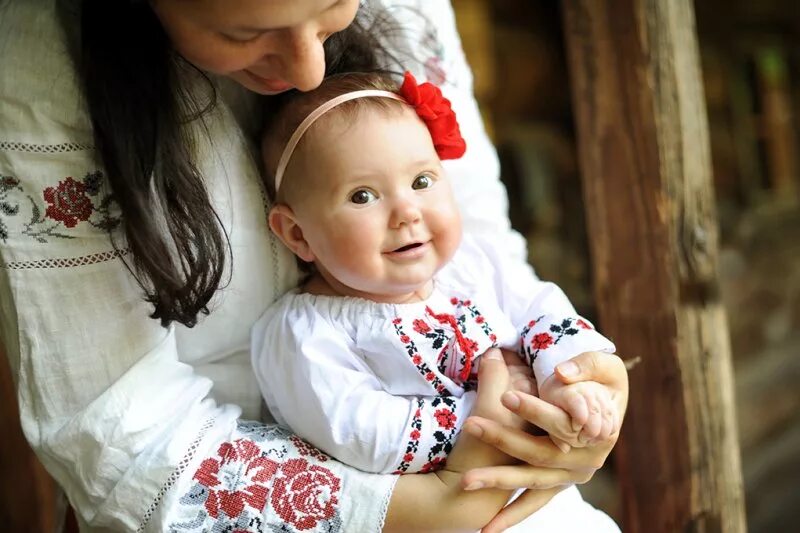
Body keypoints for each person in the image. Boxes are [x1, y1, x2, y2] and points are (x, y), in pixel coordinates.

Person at [0, 1, 629, 532]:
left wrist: (577, 378)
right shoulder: (308, 333)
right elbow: (116, 428)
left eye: (332, 10)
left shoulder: (467, 267)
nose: (309, 68)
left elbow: (513, 282)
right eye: (243, 32)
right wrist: (473, 445)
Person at [251, 71, 622, 532]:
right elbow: (361, 429)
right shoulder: (304, 334)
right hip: (442, 514)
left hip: (547, 506)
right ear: (297, 233)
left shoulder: (472, 266)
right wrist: (498, 414)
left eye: (422, 181)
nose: (407, 212)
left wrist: (565, 381)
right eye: (362, 195)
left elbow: (540, 310)